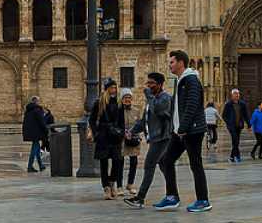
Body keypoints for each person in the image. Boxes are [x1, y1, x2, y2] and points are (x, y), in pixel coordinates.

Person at [158, 51, 211, 212]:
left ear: (181, 63)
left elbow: (192, 105)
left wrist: (183, 127)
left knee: (196, 164)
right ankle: (172, 197)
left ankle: (203, 200)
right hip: (180, 131)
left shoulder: (191, 80)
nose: (169, 65)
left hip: (191, 130)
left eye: (172, 62)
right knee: (165, 161)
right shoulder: (181, 80)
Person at [124, 73, 175, 206]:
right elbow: (144, 120)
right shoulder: (152, 99)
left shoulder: (165, 98)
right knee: (164, 166)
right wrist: (132, 131)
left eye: (152, 83)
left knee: (149, 165)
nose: (149, 86)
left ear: (160, 85)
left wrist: (149, 96)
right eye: (148, 83)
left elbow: (158, 109)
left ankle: (140, 198)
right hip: (155, 137)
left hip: (162, 138)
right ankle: (173, 195)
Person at [88, 84, 126, 200]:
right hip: (103, 136)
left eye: (115, 87)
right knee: (103, 163)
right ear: (107, 89)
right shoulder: (99, 102)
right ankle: (106, 188)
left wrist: (122, 133)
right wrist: (96, 132)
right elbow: (92, 119)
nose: (114, 90)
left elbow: (121, 120)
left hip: (115, 136)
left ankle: (111, 182)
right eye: (112, 88)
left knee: (117, 161)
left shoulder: (119, 103)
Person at [22, 95, 49, 172]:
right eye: (38, 101)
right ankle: (30, 166)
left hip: (30, 131)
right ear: (36, 101)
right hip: (36, 132)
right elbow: (41, 122)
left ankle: (41, 165)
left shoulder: (28, 110)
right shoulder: (37, 110)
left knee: (36, 148)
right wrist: (46, 130)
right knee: (34, 149)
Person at [221, 88, 247, 164]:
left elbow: (245, 115)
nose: (237, 95)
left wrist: (248, 124)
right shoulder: (228, 104)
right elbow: (224, 115)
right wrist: (228, 123)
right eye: (235, 94)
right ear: (232, 95)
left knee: (236, 141)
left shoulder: (242, 104)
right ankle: (237, 156)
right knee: (235, 140)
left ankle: (232, 157)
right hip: (231, 126)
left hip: (239, 125)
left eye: (238, 94)